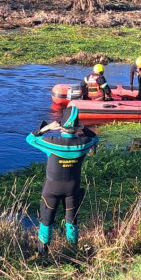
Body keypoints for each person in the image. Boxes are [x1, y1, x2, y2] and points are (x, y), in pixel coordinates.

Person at [26, 106, 98, 255]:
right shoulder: (83, 143)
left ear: (61, 127)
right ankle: (72, 252)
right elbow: (95, 139)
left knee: (46, 222)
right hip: (72, 190)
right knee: (71, 222)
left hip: (51, 190)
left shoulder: (52, 142)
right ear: (77, 127)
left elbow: (30, 138)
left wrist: (46, 128)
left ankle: (43, 255)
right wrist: (83, 128)